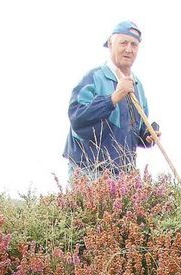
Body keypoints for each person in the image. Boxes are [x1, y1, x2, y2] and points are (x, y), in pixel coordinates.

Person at [64, 20, 160, 176]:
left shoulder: (137, 86)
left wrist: (148, 134)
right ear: (110, 44)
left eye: (134, 45)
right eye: (123, 43)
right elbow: (77, 118)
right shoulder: (94, 77)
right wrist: (112, 99)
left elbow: (137, 129)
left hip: (123, 174)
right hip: (89, 171)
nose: (129, 49)